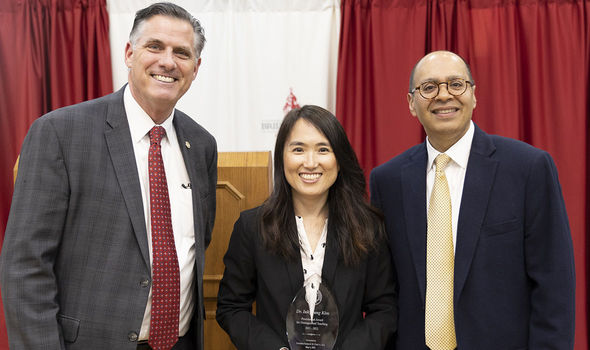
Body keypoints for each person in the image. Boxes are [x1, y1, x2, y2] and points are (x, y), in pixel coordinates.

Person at [0, 3, 217, 350]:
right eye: (155, 46)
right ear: (130, 53)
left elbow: (196, 243)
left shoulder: (202, 145)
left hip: (180, 342)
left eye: (182, 53)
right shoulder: (60, 133)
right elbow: (25, 267)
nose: (168, 62)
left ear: (196, 68)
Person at [370, 50, 575, 349]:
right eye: (428, 87)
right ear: (411, 104)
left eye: (456, 84)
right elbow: (384, 292)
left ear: (473, 95)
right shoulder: (387, 181)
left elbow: (554, 286)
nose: (443, 95)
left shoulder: (528, 169)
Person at [216, 105, 396, 350]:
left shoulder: (368, 228)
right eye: (298, 149)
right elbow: (231, 308)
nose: (310, 163)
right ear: (283, 156)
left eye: (323, 150)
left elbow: (384, 309)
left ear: (339, 159)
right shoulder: (252, 227)